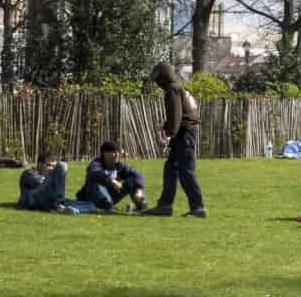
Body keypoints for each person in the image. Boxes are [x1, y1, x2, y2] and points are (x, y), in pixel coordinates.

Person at [150, 61, 206, 218]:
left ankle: (198, 208)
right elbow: (184, 114)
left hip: (184, 134)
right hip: (183, 132)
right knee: (171, 169)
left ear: (164, 77)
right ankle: (165, 205)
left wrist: (168, 134)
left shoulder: (172, 89)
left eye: (158, 79)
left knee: (186, 171)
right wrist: (168, 126)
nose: (157, 83)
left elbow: (176, 115)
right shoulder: (179, 87)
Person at [80, 140, 147, 213]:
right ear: (105, 153)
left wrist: (139, 190)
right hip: (94, 197)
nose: (117, 154)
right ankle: (106, 204)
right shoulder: (96, 164)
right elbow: (96, 173)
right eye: (113, 152)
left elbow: (138, 175)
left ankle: (141, 205)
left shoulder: (119, 166)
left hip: (111, 195)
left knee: (132, 181)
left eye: (117, 152)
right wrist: (112, 181)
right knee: (96, 182)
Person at [18, 152, 91, 213]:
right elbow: (42, 185)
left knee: (90, 205)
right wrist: (56, 176)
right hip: (34, 201)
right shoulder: (29, 173)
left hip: (51, 200)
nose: (52, 169)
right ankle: (58, 205)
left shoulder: (51, 177)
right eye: (49, 165)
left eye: (53, 167)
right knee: (62, 165)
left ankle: (68, 209)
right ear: (39, 165)